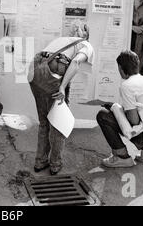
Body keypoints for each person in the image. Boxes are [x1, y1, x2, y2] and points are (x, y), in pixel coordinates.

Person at [28, 22, 94, 175]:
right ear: (86, 36)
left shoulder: (62, 40)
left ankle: (40, 161)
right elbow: (76, 62)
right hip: (54, 72)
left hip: (35, 72)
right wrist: (63, 86)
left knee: (44, 121)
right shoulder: (86, 45)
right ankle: (55, 164)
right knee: (57, 123)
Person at [96, 50, 143, 168]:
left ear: (121, 68)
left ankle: (122, 157)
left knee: (103, 115)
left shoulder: (127, 86)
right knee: (115, 110)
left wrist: (116, 109)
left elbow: (134, 122)